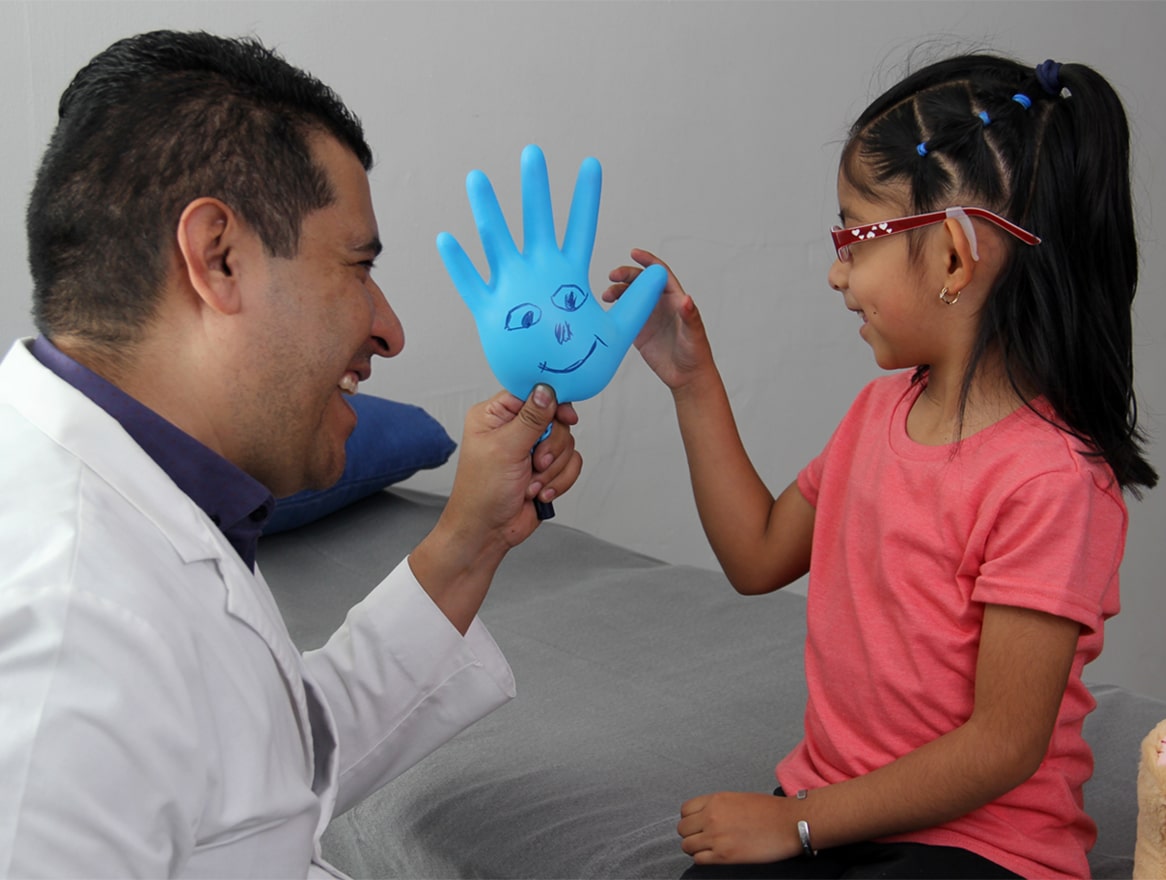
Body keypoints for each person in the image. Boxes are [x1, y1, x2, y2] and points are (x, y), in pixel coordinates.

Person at [0, 30, 583, 877]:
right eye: (357, 265)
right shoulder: (68, 637)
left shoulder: (140, 502)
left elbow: (264, 772)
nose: (389, 328)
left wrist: (471, 539)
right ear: (218, 258)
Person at [605, 54, 1157, 878]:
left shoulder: (1053, 482)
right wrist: (693, 380)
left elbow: (1004, 746)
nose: (836, 274)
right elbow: (756, 554)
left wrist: (796, 825)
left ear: (954, 260)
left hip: (986, 848)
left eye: (852, 237)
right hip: (838, 818)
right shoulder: (879, 416)